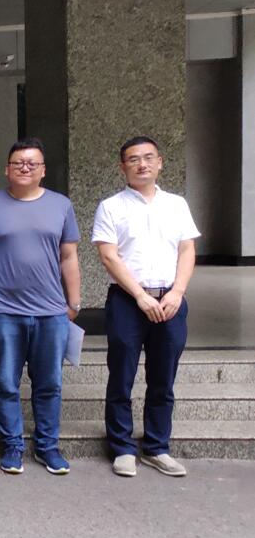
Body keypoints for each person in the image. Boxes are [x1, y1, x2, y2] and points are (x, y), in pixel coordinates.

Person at [0, 138, 81, 476]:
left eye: (32, 163)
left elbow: (69, 257)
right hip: (1, 310)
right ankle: (13, 445)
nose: (25, 167)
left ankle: (47, 446)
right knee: (5, 381)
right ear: (7, 169)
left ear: (43, 170)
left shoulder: (61, 205)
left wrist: (74, 301)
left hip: (51, 312)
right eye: (18, 162)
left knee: (49, 383)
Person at [92, 136, 199, 478]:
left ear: (160, 162)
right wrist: (139, 295)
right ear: (122, 166)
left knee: (163, 378)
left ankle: (156, 447)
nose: (142, 164)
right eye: (134, 159)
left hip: (170, 301)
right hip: (127, 300)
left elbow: (187, 250)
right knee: (121, 376)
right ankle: (122, 448)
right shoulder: (111, 207)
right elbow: (109, 256)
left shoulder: (177, 205)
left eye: (148, 157)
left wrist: (177, 292)